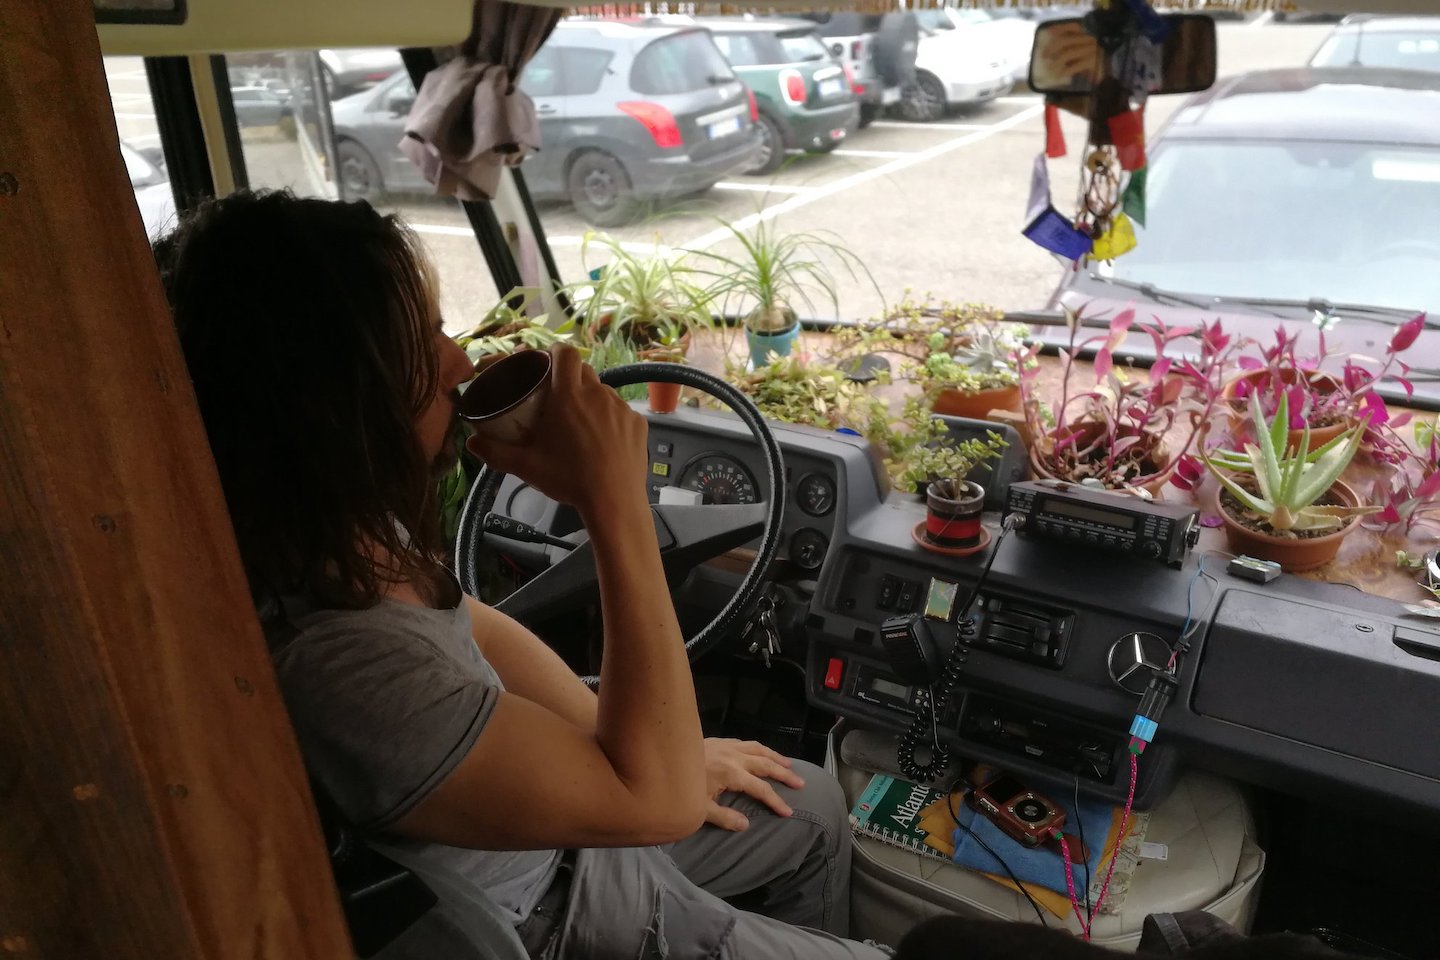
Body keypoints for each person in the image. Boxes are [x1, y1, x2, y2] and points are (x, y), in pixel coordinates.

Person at [158, 189, 890, 959]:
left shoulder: (334, 527)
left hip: (578, 819)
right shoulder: (342, 665)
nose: (458, 363)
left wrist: (627, 743)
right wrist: (614, 504)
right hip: (555, 909)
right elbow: (662, 804)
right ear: (328, 399)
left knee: (813, 805)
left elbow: (470, 620)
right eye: (420, 341)